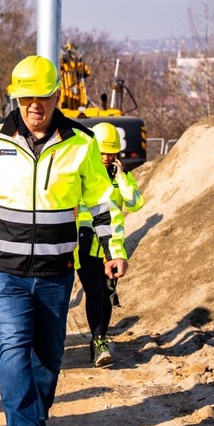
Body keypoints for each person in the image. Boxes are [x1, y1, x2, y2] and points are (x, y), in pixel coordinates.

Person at [0, 55, 128, 426]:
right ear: (16, 99)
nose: (34, 106)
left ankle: (38, 419)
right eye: (25, 98)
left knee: (49, 351)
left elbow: (103, 203)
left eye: (41, 98)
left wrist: (113, 249)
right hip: (3, 267)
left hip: (56, 269)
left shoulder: (80, 144)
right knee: (12, 344)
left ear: (55, 96)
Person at [78, 122, 144, 366]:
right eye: (103, 152)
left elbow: (136, 203)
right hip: (85, 242)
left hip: (112, 246)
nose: (107, 157)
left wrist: (123, 177)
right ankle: (98, 342)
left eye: (111, 152)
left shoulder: (122, 177)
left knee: (106, 294)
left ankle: (100, 339)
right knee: (94, 292)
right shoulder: (84, 173)